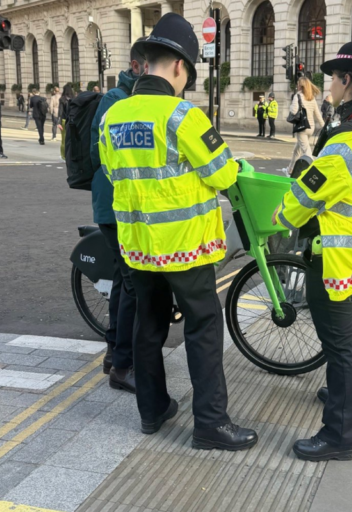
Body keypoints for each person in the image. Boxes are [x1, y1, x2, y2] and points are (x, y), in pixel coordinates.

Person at [98, 12, 258, 450]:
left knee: (147, 327)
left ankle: (152, 412)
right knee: (203, 329)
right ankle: (210, 423)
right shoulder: (183, 115)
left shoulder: (114, 116)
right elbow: (223, 173)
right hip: (187, 249)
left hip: (138, 248)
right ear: (179, 67)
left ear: (145, 61)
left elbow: (113, 173)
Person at [273, 41, 352, 462]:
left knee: (338, 344)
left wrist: (285, 208)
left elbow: (298, 204)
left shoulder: (345, 145)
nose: (329, 84)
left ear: (347, 80)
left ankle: (340, 435)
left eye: (333, 78)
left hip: (334, 256)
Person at [89, 38, 146, 391]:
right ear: (137, 66)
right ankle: (122, 366)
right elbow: (101, 155)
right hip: (114, 206)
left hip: (127, 206)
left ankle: (114, 352)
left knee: (126, 282)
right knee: (131, 284)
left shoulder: (136, 99)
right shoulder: (116, 100)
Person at [286, 77, 324, 175]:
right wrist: (323, 126)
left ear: (301, 85)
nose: (297, 85)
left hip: (302, 128)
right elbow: (317, 114)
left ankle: (315, 174)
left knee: (307, 153)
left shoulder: (298, 96)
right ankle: (290, 170)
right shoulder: (311, 97)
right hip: (311, 128)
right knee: (297, 150)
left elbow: (293, 111)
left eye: (298, 83)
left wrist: (291, 105)